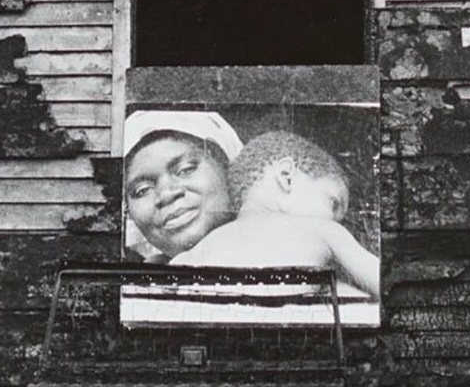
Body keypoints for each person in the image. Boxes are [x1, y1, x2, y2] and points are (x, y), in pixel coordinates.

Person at [176, 130, 380, 299]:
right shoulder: (324, 231)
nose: (337, 220)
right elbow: (380, 282)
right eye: (334, 203)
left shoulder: (192, 254)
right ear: (286, 177)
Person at [123, 110, 241, 259]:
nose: (166, 194)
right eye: (142, 190)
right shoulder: (140, 281)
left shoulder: (277, 257)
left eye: (186, 170)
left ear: (226, 167)